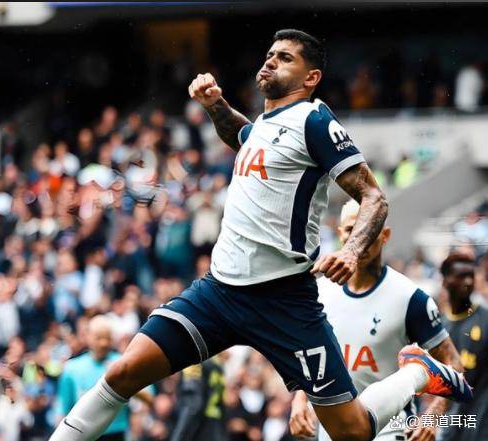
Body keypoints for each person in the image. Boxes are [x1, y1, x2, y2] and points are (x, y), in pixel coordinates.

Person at [49, 29, 471, 441]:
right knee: (124, 371)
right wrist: (215, 106)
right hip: (220, 292)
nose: (271, 61)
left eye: (285, 58)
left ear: (311, 77)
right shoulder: (265, 125)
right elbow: (243, 135)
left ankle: (417, 372)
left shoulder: (314, 119)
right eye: (270, 54)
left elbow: (373, 197)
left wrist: (351, 251)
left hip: (284, 300)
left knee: (352, 431)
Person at [289, 200, 463, 441]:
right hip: (334, 429)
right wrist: (299, 401)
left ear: (385, 235)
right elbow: (310, 356)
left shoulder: (410, 298)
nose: (360, 238)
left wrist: (432, 416)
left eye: (369, 229)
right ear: (340, 234)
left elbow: (454, 363)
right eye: (351, 229)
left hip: (390, 429)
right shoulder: (320, 292)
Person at [55, 316, 151, 441]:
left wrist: (124, 380)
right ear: (88, 337)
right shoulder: (71, 368)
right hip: (82, 434)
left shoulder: (123, 362)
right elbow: (63, 408)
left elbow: (148, 398)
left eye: (107, 338)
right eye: (99, 338)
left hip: (116, 433)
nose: (103, 343)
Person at [439, 253, 488, 441]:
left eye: (471, 275)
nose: (468, 281)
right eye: (461, 276)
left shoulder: (485, 319)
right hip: (451, 426)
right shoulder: (438, 328)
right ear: (445, 281)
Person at [169, 356, 226, 441]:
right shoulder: (215, 363)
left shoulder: (198, 362)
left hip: (201, 418)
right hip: (213, 419)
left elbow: (193, 401)